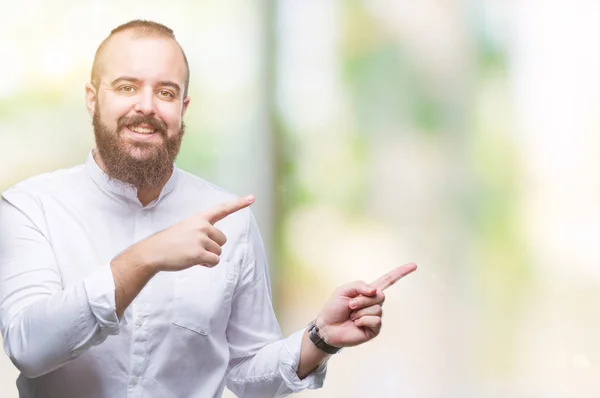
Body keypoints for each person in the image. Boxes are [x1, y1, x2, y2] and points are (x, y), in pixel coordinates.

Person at [0, 20, 417, 398]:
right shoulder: (32, 208)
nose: (146, 106)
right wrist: (146, 257)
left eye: (166, 92)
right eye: (126, 87)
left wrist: (320, 338)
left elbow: (247, 372)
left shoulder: (230, 219)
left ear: (182, 109)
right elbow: (28, 348)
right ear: (92, 99)